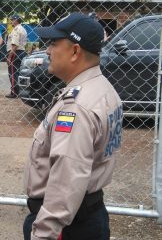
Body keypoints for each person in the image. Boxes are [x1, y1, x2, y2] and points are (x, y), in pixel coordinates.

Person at [23, 12, 123, 240]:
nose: (47, 50)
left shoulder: (76, 107)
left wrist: (44, 233)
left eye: (54, 43)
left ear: (75, 51)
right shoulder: (104, 89)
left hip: (68, 227)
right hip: (88, 213)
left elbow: (67, 179)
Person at [6, 14, 27, 98]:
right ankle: (19, 91)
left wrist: (9, 57)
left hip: (15, 52)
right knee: (18, 72)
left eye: (12, 20)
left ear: (16, 20)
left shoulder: (16, 29)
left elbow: (15, 45)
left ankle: (14, 92)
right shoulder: (23, 29)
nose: (11, 21)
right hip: (21, 52)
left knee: (13, 72)